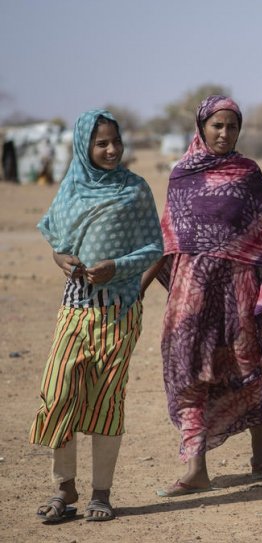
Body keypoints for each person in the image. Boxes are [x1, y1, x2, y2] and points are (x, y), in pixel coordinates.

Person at [144, 95, 262, 497]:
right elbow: (168, 237)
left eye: (232, 126)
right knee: (188, 366)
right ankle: (196, 465)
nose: (224, 133)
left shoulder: (248, 172)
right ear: (201, 127)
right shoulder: (181, 173)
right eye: (217, 125)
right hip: (191, 289)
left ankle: (260, 453)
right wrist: (142, 284)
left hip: (238, 287)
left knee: (244, 362)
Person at [31, 109, 163, 522]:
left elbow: (154, 248)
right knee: (58, 393)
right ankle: (64, 488)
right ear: (83, 146)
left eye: (115, 142)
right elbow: (56, 242)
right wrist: (61, 259)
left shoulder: (135, 190)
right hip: (74, 307)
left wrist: (117, 268)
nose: (110, 149)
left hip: (118, 311)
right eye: (101, 143)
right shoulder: (70, 187)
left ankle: (100, 494)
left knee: (106, 400)